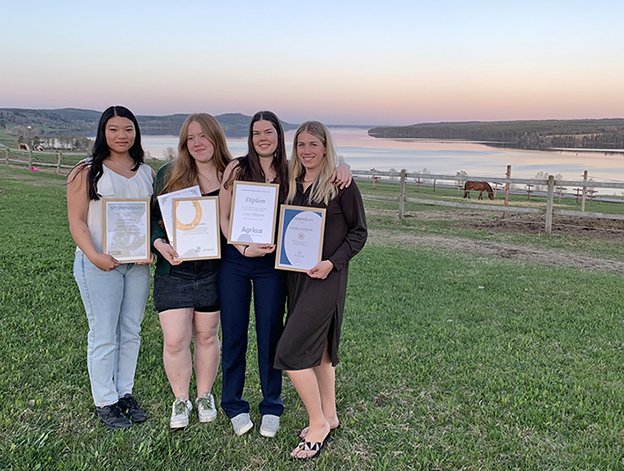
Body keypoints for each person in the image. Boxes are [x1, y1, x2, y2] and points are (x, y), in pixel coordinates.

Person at [218, 111, 353, 438]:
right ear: (250, 138)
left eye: (269, 132)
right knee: (234, 334)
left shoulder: (290, 171)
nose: (262, 138)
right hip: (237, 260)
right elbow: (223, 216)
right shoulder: (236, 168)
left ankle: (271, 405)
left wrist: (344, 164)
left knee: (270, 336)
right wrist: (241, 247)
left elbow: (320, 162)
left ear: (279, 136)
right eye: (256, 133)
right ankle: (234, 404)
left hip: (274, 266)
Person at [274, 121, 367, 459]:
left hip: (326, 278)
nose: (307, 151)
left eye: (314, 144)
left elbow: (359, 233)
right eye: (301, 145)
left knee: (290, 350)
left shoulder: (340, 183)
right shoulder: (291, 183)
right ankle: (330, 413)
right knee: (322, 351)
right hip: (295, 277)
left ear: (325, 147)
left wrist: (332, 262)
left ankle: (317, 425)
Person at [67, 105, 154, 430]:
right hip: (100, 264)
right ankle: (104, 400)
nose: (122, 135)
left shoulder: (145, 171)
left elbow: (148, 220)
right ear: (103, 131)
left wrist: (148, 248)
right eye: (114, 129)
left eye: (128, 129)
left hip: (137, 266)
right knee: (103, 333)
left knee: (130, 331)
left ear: (136, 133)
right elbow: (76, 220)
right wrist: (94, 255)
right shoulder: (86, 170)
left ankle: (123, 392)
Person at [151, 113, 231, 429]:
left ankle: (204, 395)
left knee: (207, 335)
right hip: (175, 271)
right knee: (174, 339)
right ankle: (181, 400)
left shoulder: (231, 176)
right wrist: (160, 245)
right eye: (191, 137)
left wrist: (340, 167)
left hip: (215, 271)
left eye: (204, 136)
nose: (198, 143)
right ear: (185, 142)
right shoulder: (169, 175)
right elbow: (152, 220)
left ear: (216, 138)